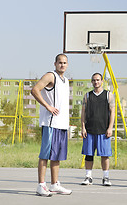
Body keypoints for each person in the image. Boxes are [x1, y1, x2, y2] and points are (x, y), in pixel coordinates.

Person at [31, 54, 72, 197]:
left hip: (61, 124)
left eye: (65, 63)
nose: (62, 65)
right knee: (45, 154)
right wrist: (48, 106)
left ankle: (54, 184)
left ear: (67, 65)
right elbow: (35, 90)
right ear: (55, 64)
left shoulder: (66, 80)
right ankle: (41, 185)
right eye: (60, 62)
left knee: (57, 156)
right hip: (50, 123)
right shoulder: (50, 76)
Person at [80, 73, 115, 186]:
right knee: (89, 155)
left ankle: (106, 178)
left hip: (103, 130)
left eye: (98, 80)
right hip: (90, 130)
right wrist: (83, 127)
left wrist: (110, 127)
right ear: (92, 82)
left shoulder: (108, 95)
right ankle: (88, 177)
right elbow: (83, 112)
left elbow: (113, 112)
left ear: (102, 81)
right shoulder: (87, 96)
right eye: (94, 80)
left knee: (105, 155)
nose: (96, 82)